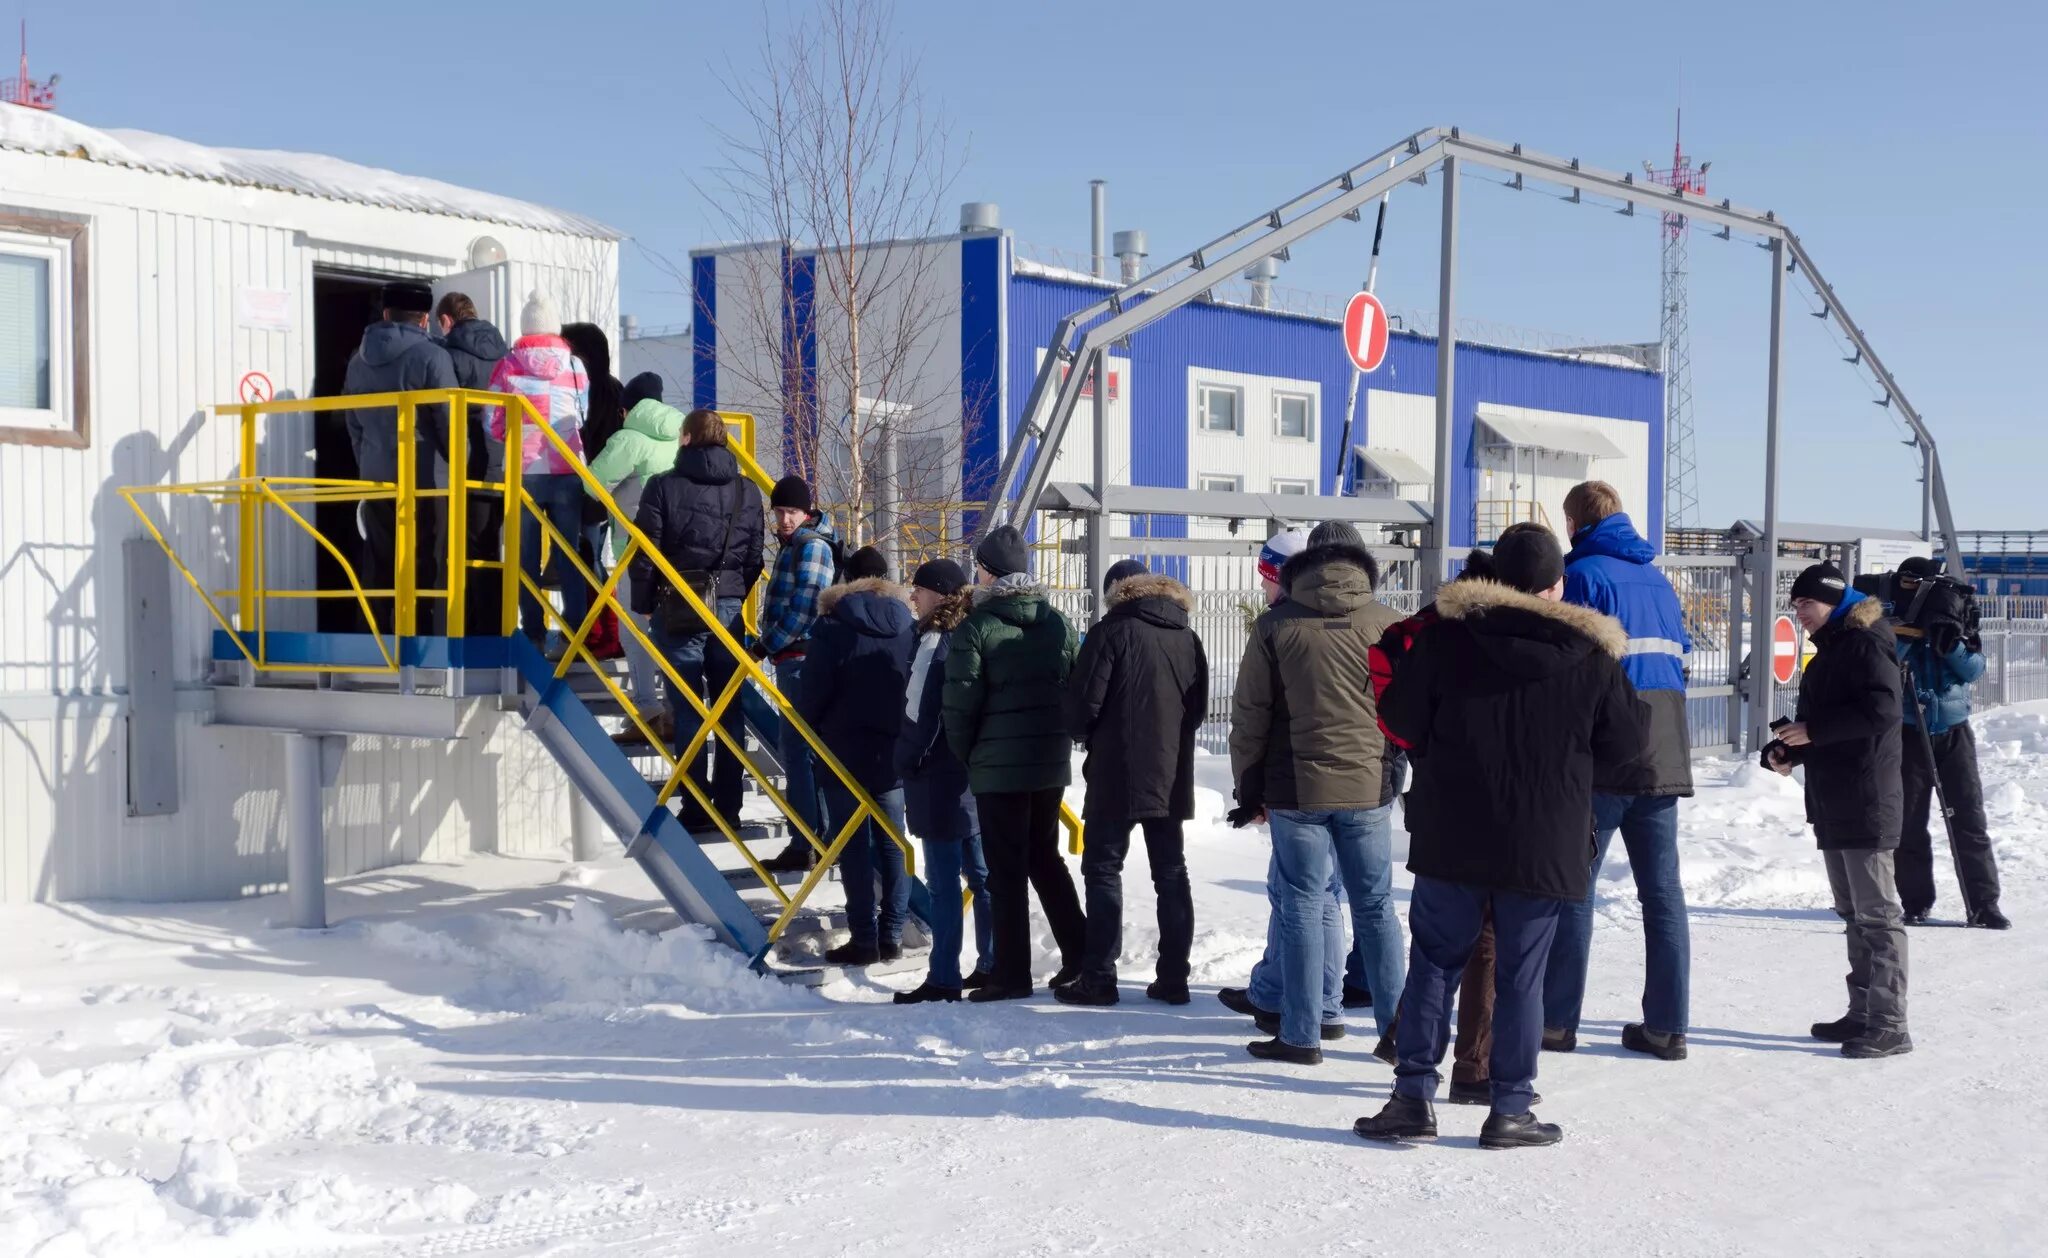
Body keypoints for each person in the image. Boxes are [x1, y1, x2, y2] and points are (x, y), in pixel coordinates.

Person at [1356, 524, 1646, 1150]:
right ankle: (1510, 1108)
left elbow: (1400, 720)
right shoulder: (1591, 656)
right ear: (1555, 584)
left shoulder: (1443, 643)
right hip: (1545, 839)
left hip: (1452, 829)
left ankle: (1412, 1101)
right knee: (1522, 974)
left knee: (1434, 963)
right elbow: (1629, 746)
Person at [1228, 523, 1406, 1064]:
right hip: (1368, 787)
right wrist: (1393, 770)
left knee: (1303, 905)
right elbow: (1407, 712)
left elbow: (1250, 718)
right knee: (1376, 907)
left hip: (1295, 791)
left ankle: (1301, 1035)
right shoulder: (1389, 625)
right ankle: (1398, 1033)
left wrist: (1248, 789)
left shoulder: (1276, 626)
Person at [1541, 481, 1696, 1061]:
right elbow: (1679, 658)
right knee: (1662, 894)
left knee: (1574, 887)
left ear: (1576, 521)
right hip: (1666, 747)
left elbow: (1569, 666)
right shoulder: (1658, 580)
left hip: (1605, 751)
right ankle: (1668, 1026)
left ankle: (1556, 1022)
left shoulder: (1583, 576)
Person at [1368, 547, 1501, 1105]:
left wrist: (1421, 749)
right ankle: (1472, 1068)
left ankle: (1408, 1042)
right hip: (1499, 803)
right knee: (1486, 943)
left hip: (1434, 796)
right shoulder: (1500, 638)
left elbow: (1394, 715)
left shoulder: (1417, 631)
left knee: (1438, 938)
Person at [1767, 563, 1912, 1059]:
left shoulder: (1867, 641)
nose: (1798, 613)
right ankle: (1864, 1012)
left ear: (1831, 600)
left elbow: (1883, 711)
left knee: (1877, 915)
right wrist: (1791, 749)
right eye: (1795, 605)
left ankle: (1891, 1023)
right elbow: (1826, 722)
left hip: (1867, 797)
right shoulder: (1831, 649)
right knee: (1853, 914)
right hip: (1835, 798)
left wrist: (1816, 733)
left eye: (1805, 604)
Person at [943, 524, 1085, 1003]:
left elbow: (961, 704)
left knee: (1004, 868)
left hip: (997, 766)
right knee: (1044, 858)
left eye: (978, 568)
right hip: (1048, 763)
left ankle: (1011, 973)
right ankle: (1082, 955)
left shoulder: (977, 627)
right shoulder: (1058, 623)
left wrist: (972, 755)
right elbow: (1074, 684)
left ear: (988, 571)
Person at [1059, 558, 1207, 1007]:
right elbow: (1198, 710)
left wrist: (1085, 735)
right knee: (1171, 872)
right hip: (1170, 771)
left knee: (1103, 868)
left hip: (1115, 772)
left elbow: (1083, 705)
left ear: (1116, 591)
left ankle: (1099, 976)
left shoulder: (1111, 632)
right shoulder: (1187, 636)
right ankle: (1174, 978)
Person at [629, 408, 760, 832]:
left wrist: (645, 602)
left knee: (687, 710)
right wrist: (734, 592)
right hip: (727, 606)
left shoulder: (662, 486)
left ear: (685, 439)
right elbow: (755, 556)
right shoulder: (747, 490)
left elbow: (646, 553)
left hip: (678, 604)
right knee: (729, 709)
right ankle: (730, 807)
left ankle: (695, 807)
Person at [797, 570, 916, 966]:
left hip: (843, 752)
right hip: (893, 753)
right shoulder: (906, 627)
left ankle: (864, 939)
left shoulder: (832, 629)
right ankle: (893, 935)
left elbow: (812, 693)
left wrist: (810, 729)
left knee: (853, 846)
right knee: (892, 845)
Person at [894, 558, 996, 1002]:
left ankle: (943, 977)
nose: (912, 597)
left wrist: (907, 759)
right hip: (974, 773)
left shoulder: (934, 639)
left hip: (938, 775)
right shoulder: (975, 631)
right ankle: (993, 963)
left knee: (942, 884)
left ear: (938, 593)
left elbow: (921, 710)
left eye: (918, 589)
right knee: (983, 876)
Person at [1892, 557, 2009, 929]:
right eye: (1906, 582)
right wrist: (1908, 637)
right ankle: (1915, 902)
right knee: (1909, 822)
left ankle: (1984, 904)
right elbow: (1882, 665)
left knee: (1969, 819)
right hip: (1909, 732)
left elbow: (1975, 669)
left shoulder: (1954, 612)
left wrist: (1950, 645)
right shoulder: (1892, 615)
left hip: (1953, 732)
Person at [343, 280, 455, 635]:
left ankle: (372, 636)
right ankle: (416, 637)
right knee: (421, 559)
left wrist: (367, 461)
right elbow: (447, 419)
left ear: (386, 314)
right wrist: (459, 464)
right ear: (425, 319)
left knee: (378, 556)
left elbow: (353, 423)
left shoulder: (357, 360)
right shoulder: (433, 356)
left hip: (376, 475)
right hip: (423, 476)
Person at [486, 291, 591, 650]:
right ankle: (575, 632)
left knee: (525, 554)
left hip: (525, 469)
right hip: (567, 467)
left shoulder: (507, 365)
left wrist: (513, 433)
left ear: (525, 326)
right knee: (568, 552)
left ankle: (532, 631)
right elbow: (583, 414)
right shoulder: (575, 366)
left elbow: (491, 420)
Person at [756, 476, 843, 873]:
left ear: (806, 513)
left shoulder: (811, 546)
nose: (785, 519)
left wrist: (766, 642)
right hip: (795, 657)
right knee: (803, 751)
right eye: (779, 512)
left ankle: (806, 839)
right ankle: (818, 837)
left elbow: (808, 604)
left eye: (791, 512)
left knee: (797, 750)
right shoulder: (799, 544)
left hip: (800, 657)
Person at [592, 373, 685, 718]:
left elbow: (591, 484)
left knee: (635, 631)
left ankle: (647, 708)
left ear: (626, 409)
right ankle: (680, 708)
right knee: (674, 630)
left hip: (636, 550)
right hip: (679, 550)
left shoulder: (628, 439)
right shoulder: (684, 436)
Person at [433, 292, 508, 635]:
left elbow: (444, 413)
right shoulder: (505, 354)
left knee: (461, 549)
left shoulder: (447, 355)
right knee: (490, 546)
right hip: (505, 460)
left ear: (447, 321)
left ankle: (472, 630)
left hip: (469, 461)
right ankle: (495, 627)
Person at [563, 322, 627, 660]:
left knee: (592, 563)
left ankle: (604, 633)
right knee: (592, 561)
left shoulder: (590, 390)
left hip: (591, 490)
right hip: (603, 490)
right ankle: (600, 631)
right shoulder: (613, 389)